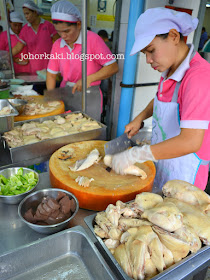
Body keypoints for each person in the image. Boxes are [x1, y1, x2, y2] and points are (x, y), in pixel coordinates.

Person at [110, 7, 210, 191]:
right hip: (164, 163)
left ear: (173, 36)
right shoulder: (170, 70)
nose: (148, 60)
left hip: (184, 176)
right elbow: (160, 100)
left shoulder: (198, 77)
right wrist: (140, 117)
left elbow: (191, 141)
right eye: (144, 54)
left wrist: (136, 155)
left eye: (151, 50)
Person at [46, 0, 118, 115]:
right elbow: (51, 74)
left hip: (89, 94)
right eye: (59, 32)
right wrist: (51, 98)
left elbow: (113, 67)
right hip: (65, 93)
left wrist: (88, 79)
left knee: (89, 129)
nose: (63, 36)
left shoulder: (92, 39)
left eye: (67, 31)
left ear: (78, 24)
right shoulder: (57, 45)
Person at [12, 0, 59, 74]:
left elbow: (58, 43)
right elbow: (18, 47)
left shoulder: (48, 25)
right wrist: (7, 55)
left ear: (35, 12)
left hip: (50, 67)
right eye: (24, 14)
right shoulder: (25, 30)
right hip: (34, 69)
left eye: (27, 13)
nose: (26, 17)